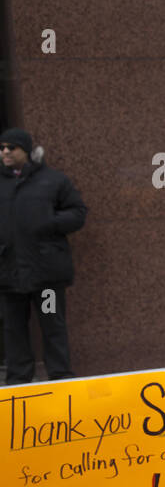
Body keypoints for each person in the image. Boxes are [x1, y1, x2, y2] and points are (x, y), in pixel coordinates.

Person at [0, 128, 87, 385]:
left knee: (52, 324)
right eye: (2, 147)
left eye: (11, 147)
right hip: (9, 275)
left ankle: (60, 376)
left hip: (46, 275)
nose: (5, 152)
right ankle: (18, 380)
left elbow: (77, 212)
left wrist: (49, 221)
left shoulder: (53, 181)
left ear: (25, 151)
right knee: (13, 329)